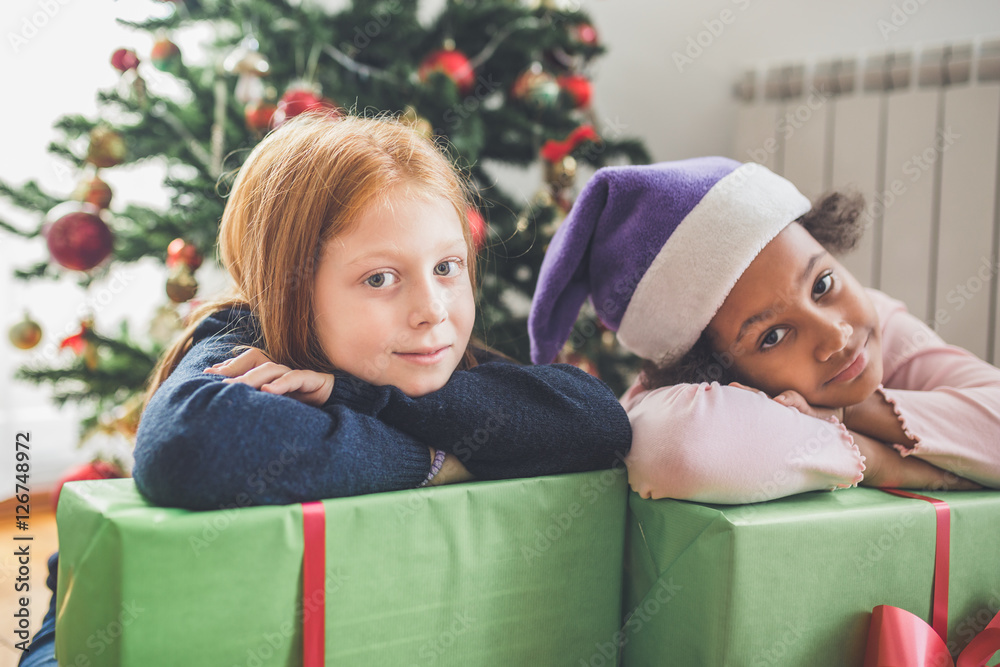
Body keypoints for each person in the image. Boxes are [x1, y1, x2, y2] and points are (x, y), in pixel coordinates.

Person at [19, 113, 631, 665]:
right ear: (289, 289)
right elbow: (193, 449)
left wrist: (357, 393)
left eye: (447, 268)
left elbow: (597, 421)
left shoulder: (435, 358)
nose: (432, 310)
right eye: (381, 277)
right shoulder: (245, 344)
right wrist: (439, 462)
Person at [528, 157, 999, 505]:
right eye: (772, 336)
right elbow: (684, 450)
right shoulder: (666, 405)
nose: (835, 335)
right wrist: (881, 462)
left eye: (823, 284)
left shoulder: (874, 322)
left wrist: (843, 413)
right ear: (703, 370)